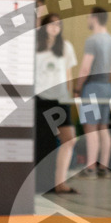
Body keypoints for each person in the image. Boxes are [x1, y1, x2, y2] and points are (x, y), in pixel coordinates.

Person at [35, 12, 79, 194]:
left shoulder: (66, 47)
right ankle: (39, 182)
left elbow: (68, 74)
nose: (55, 28)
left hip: (60, 99)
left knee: (69, 139)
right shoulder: (35, 46)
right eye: (51, 24)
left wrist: (69, 95)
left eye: (58, 25)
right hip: (40, 98)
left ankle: (60, 182)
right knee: (42, 142)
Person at [75, 7, 111, 177]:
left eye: (88, 17)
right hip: (107, 87)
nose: (87, 20)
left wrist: (78, 87)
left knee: (91, 128)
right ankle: (104, 166)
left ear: (94, 18)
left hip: (92, 87)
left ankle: (91, 166)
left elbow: (85, 68)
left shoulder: (92, 40)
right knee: (103, 128)